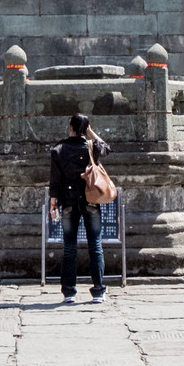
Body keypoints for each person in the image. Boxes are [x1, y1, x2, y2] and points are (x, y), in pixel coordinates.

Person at [47, 113, 110, 303]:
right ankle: (98, 291)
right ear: (86, 128)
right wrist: (91, 133)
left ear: (70, 127)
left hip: (69, 202)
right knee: (95, 246)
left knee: (69, 248)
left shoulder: (59, 149)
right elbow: (107, 148)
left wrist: (53, 203)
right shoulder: (92, 146)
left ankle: (69, 292)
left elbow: (55, 180)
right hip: (91, 201)